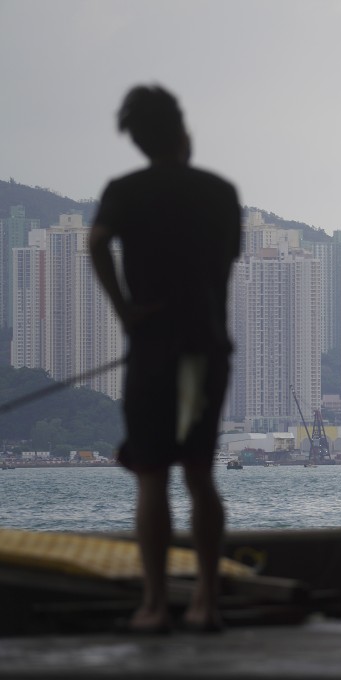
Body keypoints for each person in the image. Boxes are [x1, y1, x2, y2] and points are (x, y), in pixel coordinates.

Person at [89, 85, 241, 633]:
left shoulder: (124, 191)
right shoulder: (219, 193)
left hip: (151, 350)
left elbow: (96, 242)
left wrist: (125, 311)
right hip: (203, 348)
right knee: (200, 476)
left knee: (151, 477)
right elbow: (225, 260)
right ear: (183, 133)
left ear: (136, 139)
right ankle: (206, 601)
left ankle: (154, 605)